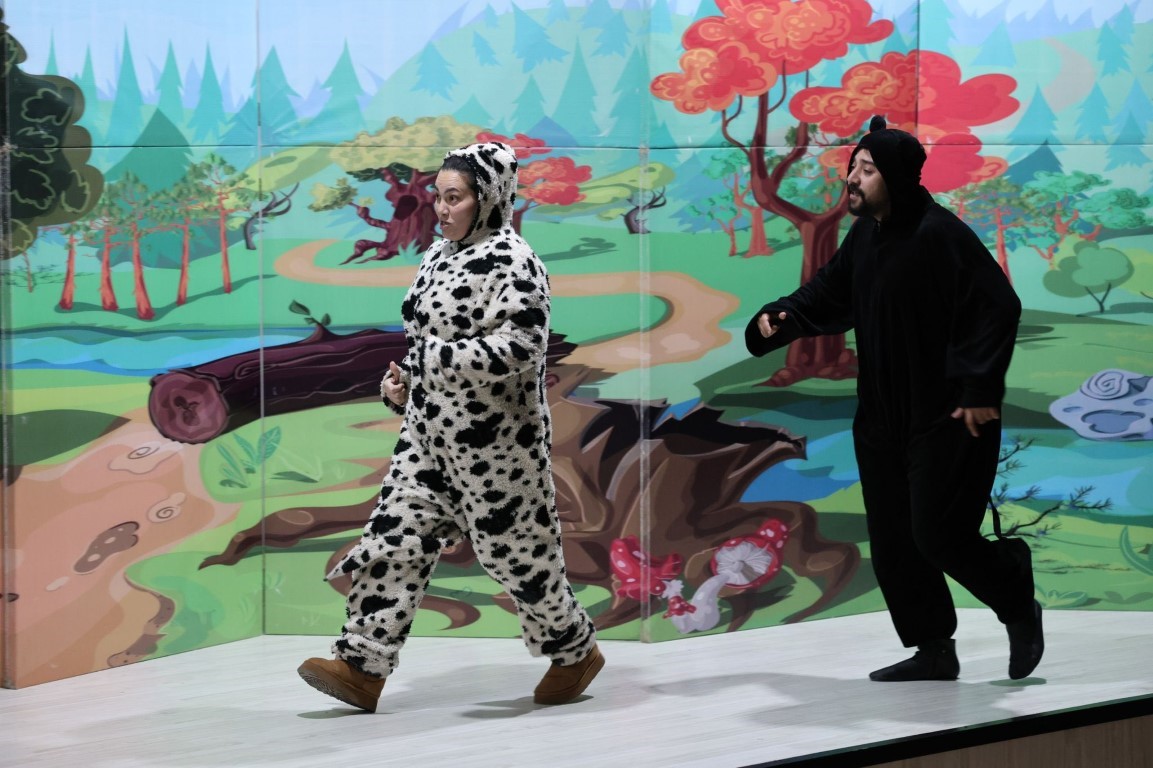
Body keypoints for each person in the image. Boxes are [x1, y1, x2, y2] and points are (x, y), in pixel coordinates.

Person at [298, 141, 604, 711]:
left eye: (455, 197)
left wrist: (430, 362)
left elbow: (522, 347)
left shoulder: (515, 262)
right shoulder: (439, 254)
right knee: (394, 538)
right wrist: (403, 388)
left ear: (488, 198)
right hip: (427, 438)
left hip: (497, 448)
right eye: (438, 196)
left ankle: (574, 648)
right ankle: (361, 665)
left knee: (519, 561)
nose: (441, 208)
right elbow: (425, 344)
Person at [745, 117, 1043, 682]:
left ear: (897, 178)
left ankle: (1015, 597)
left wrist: (979, 387)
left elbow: (997, 306)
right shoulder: (867, 237)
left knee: (939, 535)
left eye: (867, 169)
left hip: (948, 415)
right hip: (881, 415)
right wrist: (781, 316)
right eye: (852, 167)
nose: (852, 179)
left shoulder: (940, 234)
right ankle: (933, 649)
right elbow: (830, 293)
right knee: (894, 540)